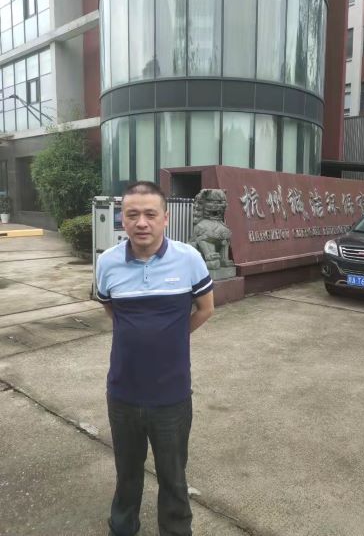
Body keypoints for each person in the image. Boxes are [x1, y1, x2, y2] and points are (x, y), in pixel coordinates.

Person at [96, 181, 214, 536]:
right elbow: (111, 308)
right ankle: (122, 527)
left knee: (173, 476)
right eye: (132, 214)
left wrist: (173, 337)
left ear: (165, 218)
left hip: (171, 395)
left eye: (150, 214)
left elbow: (206, 308)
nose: (141, 222)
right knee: (127, 473)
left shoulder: (189, 259)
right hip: (123, 393)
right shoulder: (107, 263)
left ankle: (176, 530)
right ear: (123, 219)